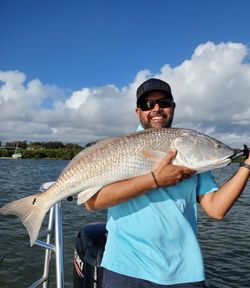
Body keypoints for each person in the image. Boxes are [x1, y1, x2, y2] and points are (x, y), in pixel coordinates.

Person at [85, 78, 250, 288]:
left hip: (184, 272)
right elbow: (91, 203)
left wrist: (247, 165)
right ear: (138, 112)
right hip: (126, 268)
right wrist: (155, 180)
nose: (156, 109)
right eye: (148, 104)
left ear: (173, 107)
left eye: (164, 102)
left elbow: (217, 209)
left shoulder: (191, 148)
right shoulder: (120, 148)